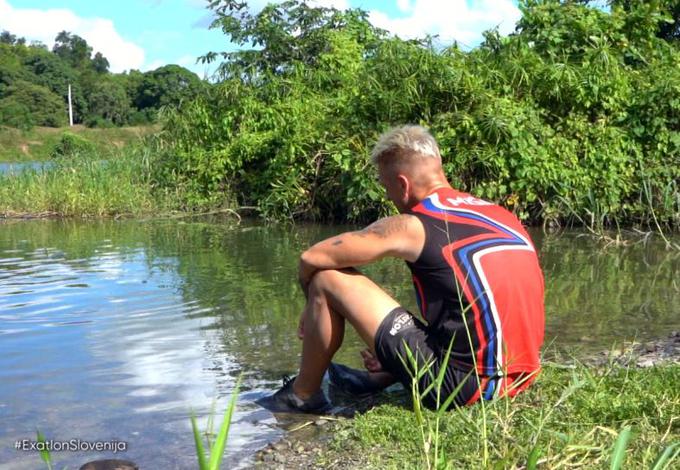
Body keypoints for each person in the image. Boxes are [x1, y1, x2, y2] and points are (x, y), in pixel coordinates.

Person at [261, 125, 545, 413]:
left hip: (466, 388)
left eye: (386, 188)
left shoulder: (414, 224)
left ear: (403, 184)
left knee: (325, 280)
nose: (388, 198)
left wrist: (311, 303)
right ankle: (387, 373)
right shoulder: (499, 214)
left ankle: (302, 395)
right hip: (520, 376)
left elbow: (312, 257)